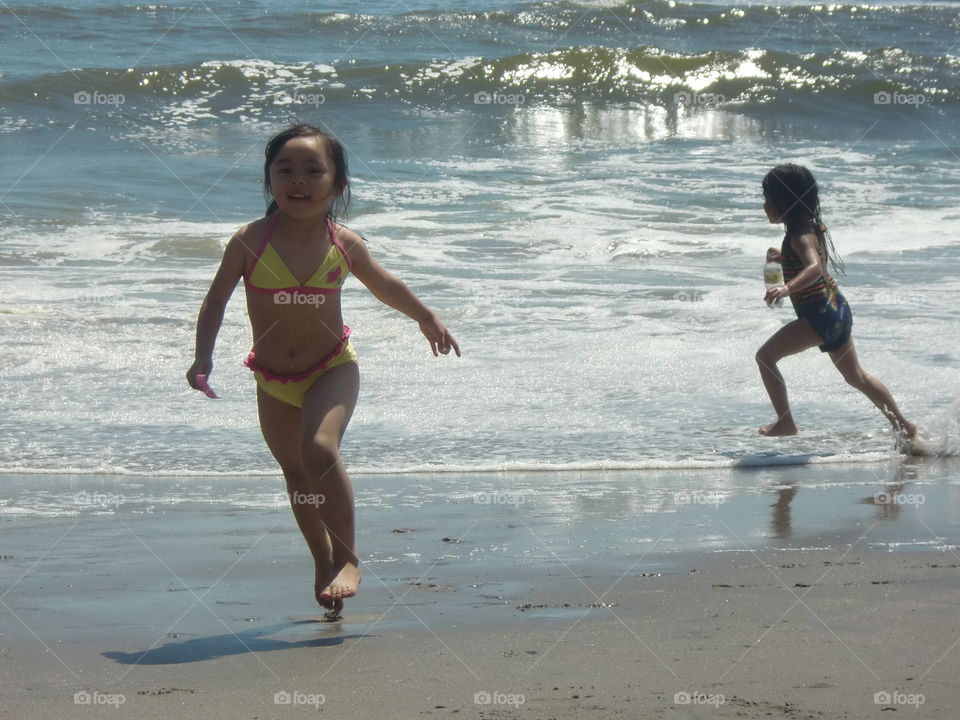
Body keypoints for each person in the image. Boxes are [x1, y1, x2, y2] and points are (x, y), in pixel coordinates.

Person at [186, 124, 460, 612]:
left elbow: (385, 285)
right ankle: (323, 559)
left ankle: (349, 558)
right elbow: (215, 301)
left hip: (332, 368)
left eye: (314, 171)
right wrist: (203, 354)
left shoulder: (343, 243)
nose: (299, 180)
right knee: (295, 474)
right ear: (269, 180)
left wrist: (426, 316)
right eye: (284, 169)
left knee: (319, 449)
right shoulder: (249, 241)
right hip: (272, 380)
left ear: (337, 185)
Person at [755, 163, 915, 442]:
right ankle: (905, 427)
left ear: (785, 201)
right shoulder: (807, 227)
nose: (765, 205)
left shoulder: (800, 235)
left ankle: (785, 423)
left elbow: (815, 267)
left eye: (768, 199)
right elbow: (810, 263)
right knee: (856, 377)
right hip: (835, 311)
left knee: (765, 358)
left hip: (818, 316)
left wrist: (786, 288)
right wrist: (784, 261)